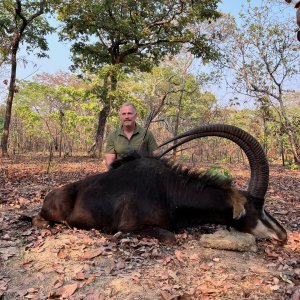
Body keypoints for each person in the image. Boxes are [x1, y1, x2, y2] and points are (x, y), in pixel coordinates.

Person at [104, 102, 160, 168]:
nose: (126, 117)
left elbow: (157, 156)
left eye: (129, 113)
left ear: (135, 115)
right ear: (120, 116)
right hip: (119, 173)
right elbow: (109, 162)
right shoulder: (113, 135)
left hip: (142, 173)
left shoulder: (147, 134)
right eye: (124, 114)